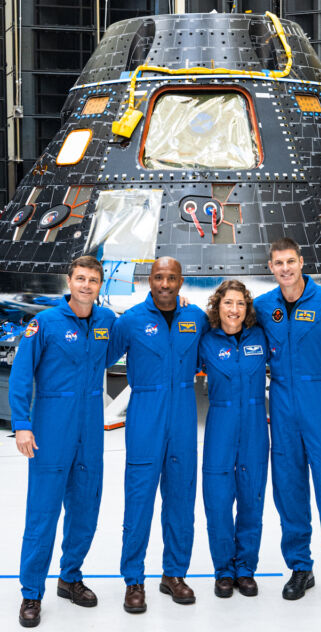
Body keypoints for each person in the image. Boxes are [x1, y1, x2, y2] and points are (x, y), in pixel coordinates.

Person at [254, 237, 321, 612]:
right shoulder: (264, 307)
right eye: (278, 263)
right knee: (289, 492)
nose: (285, 268)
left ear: (302, 262)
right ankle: (301, 567)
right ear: (270, 268)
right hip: (282, 410)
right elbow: (227, 322)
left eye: (290, 261)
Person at [9, 256, 116, 628]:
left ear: (101, 285)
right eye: (81, 278)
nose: (87, 285)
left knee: (86, 509)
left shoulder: (107, 322)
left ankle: (70, 578)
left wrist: (178, 303)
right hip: (51, 427)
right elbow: (21, 374)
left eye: (94, 280)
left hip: (90, 427)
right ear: (68, 280)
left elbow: (126, 342)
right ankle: (31, 593)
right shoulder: (45, 323)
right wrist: (22, 424)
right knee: (43, 513)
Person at [107, 257, 208, 614]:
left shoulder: (196, 318)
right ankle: (134, 580)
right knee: (139, 501)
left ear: (182, 281)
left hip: (183, 412)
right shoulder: (131, 320)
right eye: (158, 277)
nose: (165, 284)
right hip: (145, 414)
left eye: (172, 278)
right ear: (149, 280)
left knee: (181, 499)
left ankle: (174, 574)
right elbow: (98, 356)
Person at [198, 280, 269, 598]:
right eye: (228, 302)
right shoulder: (206, 340)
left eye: (240, 303)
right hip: (220, 427)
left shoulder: (260, 336)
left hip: (255, 426)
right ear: (218, 306)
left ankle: (245, 570)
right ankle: (224, 570)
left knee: (252, 500)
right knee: (218, 502)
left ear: (247, 308)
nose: (234, 309)